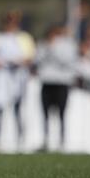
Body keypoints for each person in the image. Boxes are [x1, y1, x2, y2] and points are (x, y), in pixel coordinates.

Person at [0, 9, 36, 150]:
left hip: (18, 77)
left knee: (18, 109)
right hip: (2, 77)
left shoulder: (24, 38)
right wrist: (0, 62)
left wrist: (19, 62)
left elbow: (30, 57)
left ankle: (20, 141)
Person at [35, 23, 78, 151]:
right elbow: (37, 60)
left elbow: (67, 61)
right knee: (45, 113)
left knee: (62, 113)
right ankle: (46, 139)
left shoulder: (67, 44)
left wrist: (54, 48)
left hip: (61, 82)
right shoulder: (43, 44)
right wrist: (48, 48)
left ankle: (62, 141)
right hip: (47, 81)